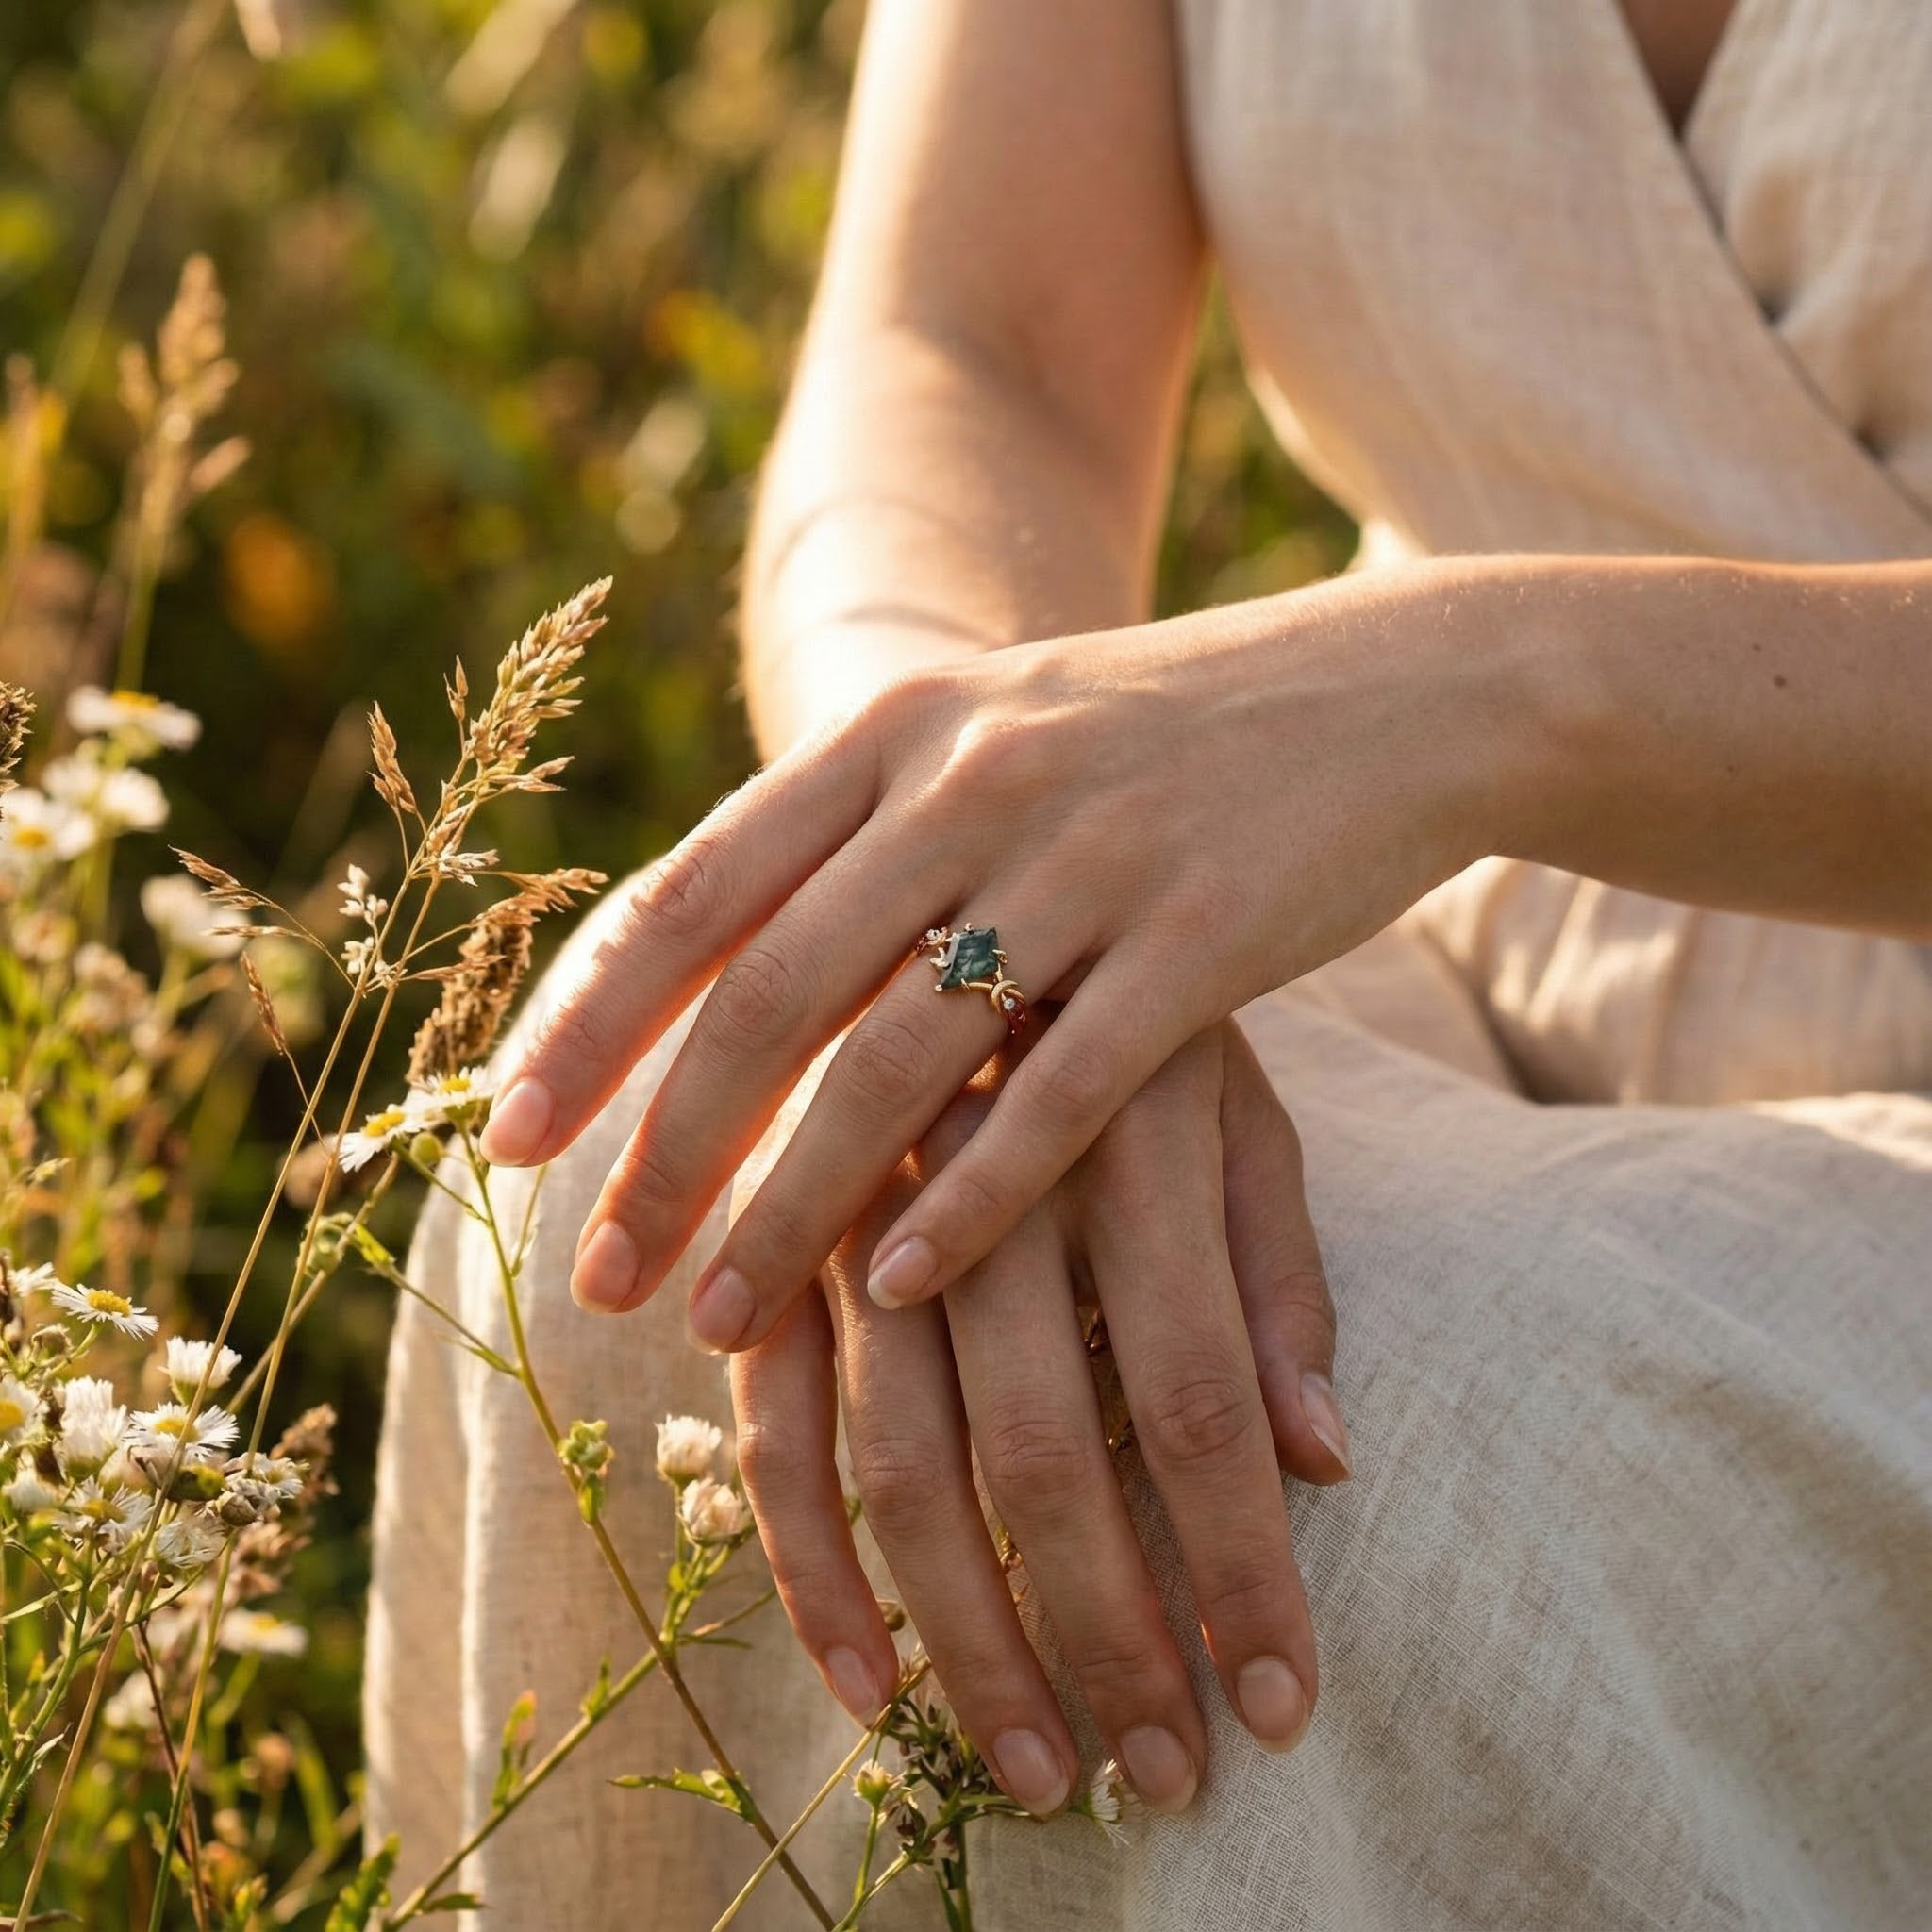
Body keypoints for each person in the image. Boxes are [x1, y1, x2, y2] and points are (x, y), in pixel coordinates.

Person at [366, 2, 1932, 1925]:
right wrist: (970, 936)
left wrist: (1483, 694)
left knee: (1348, 1468)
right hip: (1477, 946)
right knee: (689, 1171)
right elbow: (970, 347)